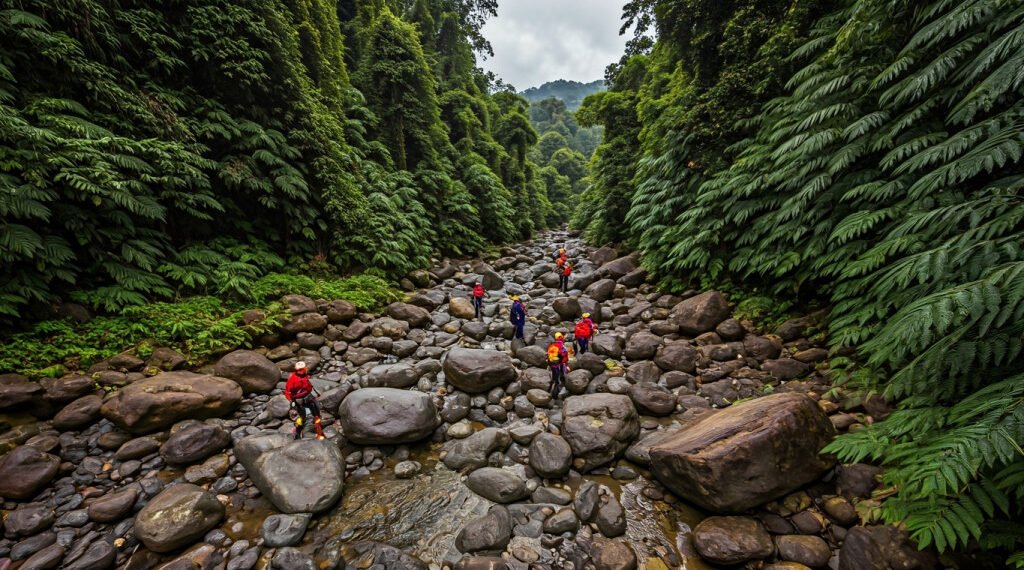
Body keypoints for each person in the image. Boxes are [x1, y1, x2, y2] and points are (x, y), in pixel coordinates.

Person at [285, 361, 324, 440]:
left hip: (308, 397)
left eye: (303, 369)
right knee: (300, 419)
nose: (302, 371)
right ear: (296, 370)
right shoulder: (292, 379)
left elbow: (308, 385)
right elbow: (288, 392)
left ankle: (319, 432)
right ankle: (297, 434)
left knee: (316, 414)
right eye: (300, 369)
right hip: (298, 400)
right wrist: (292, 402)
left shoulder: (305, 375)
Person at [546, 332, 570, 398]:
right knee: (558, 381)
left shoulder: (552, 345)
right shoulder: (561, 345)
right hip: (558, 364)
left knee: (554, 377)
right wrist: (566, 364)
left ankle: (548, 390)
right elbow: (564, 355)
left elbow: (548, 355)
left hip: (552, 364)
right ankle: (555, 395)